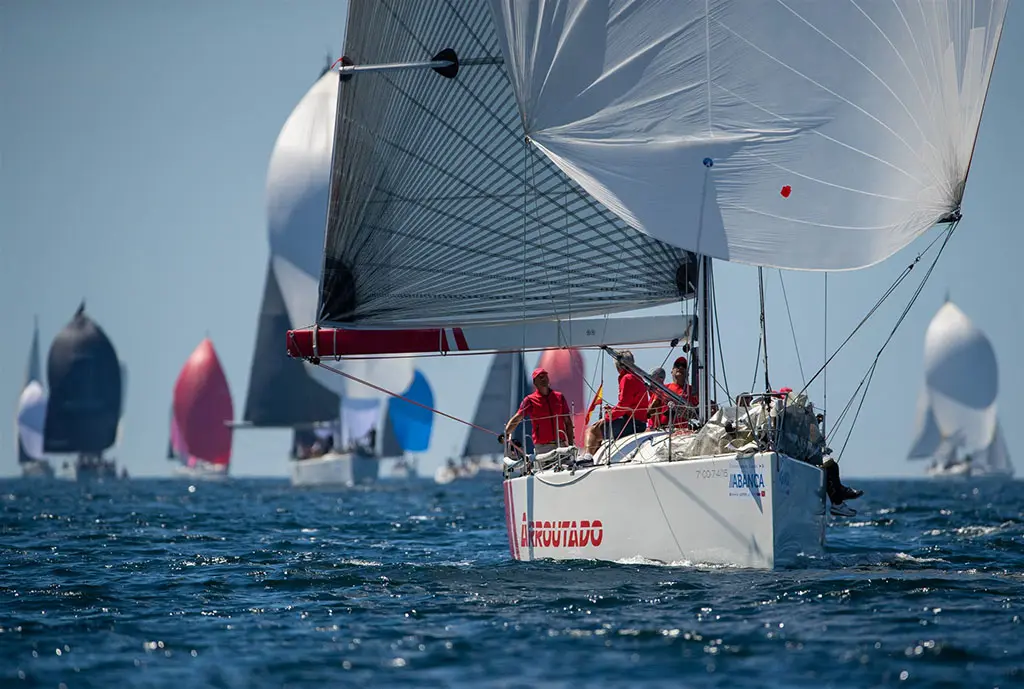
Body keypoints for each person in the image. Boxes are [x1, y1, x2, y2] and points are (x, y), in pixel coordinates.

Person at [582, 350, 647, 459]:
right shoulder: (638, 378)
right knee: (600, 432)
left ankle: (587, 458)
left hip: (632, 425)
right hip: (639, 423)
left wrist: (607, 417)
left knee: (592, 430)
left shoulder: (627, 378)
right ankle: (592, 458)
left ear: (618, 366)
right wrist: (612, 411)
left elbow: (624, 405)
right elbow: (629, 405)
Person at [503, 367, 575, 456]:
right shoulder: (529, 400)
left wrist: (571, 445)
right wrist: (506, 433)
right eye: (540, 377)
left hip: (561, 444)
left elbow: (568, 422)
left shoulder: (559, 397)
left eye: (545, 376)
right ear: (534, 382)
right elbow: (517, 418)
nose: (544, 379)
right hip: (543, 447)